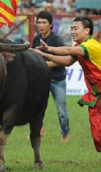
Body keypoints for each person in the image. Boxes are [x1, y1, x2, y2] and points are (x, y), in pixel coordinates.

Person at [30, 16, 101, 172]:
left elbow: (69, 50)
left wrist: (47, 50)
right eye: (71, 28)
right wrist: (44, 56)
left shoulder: (91, 45)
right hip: (95, 97)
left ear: (87, 30)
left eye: (75, 28)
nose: (72, 31)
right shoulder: (79, 47)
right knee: (98, 137)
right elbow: (66, 61)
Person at [31, 11, 70, 142]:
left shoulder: (57, 40)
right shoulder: (37, 38)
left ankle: (65, 133)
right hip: (41, 79)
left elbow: (64, 58)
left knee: (61, 110)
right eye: (39, 22)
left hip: (57, 79)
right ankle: (39, 131)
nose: (41, 25)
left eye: (44, 23)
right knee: (37, 108)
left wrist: (45, 64)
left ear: (51, 25)